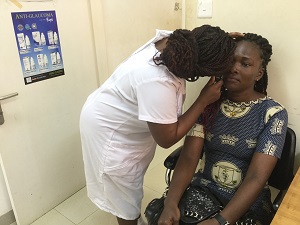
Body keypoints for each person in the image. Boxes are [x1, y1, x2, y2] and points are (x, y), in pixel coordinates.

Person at [79, 24, 236, 225]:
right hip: (111, 132)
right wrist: (203, 100)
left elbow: (200, 41)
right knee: (124, 195)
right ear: (200, 69)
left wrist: (220, 41)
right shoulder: (156, 81)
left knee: (130, 184)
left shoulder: (178, 42)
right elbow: (167, 138)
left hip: (120, 112)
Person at [158, 33, 288, 225]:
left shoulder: (273, 114)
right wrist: (170, 203)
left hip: (247, 204)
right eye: (230, 61)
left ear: (259, 73)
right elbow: (189, 157)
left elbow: (256, 177)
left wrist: (220, 221)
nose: (234, 68)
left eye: (245, 64)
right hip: (204, 191)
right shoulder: (209, 104)